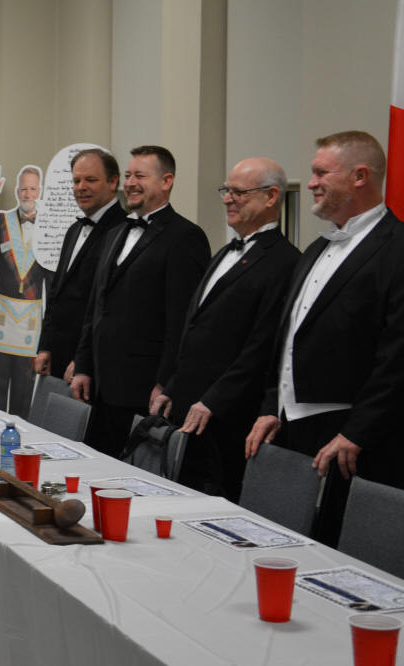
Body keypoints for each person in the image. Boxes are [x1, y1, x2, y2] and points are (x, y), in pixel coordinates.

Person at [245, 131, 404, 545]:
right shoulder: (315, 249)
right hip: (290, 426)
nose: (311, 183)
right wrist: (271, 406)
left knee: (343, 550)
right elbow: (285, 339)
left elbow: (397, 357)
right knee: (283, 542)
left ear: (359, 176)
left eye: (320, 173)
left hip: (353, 437)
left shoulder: (397, 248)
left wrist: (358, 432)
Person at [151, 158, 300, 499]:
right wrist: (172, 386)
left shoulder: (285, 262)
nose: (227, 199)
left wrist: (213, 401)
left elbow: (262, 347)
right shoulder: (223, 252)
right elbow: (196, 329)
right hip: (188, 406)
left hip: (228, 417)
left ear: (271, 196)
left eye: (239, 192)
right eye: (226, 190)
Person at [70, 145, 210, 457]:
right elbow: (96, 307)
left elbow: (182, 322)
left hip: (143, 390)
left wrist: (166, 383)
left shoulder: (185, 237)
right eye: (128, 175)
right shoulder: (115, 232)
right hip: (100, 386)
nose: (131, 183)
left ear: (166, 181)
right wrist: (83, 365)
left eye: (140, 176)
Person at [35, 149, 127, 383]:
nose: (81, 187)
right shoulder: (74, 230)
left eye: (91, 180)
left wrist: (83, 360)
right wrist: (45, 345)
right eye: (76, 181)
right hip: (58, 357)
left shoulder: (124, 231)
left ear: (113, 182)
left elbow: (109, 308)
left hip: (93, 366)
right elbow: (56, 294)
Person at [0, 164, 53, 419]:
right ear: (18, 191)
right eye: (24, 189)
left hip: (31, 319)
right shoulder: (2, 221)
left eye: (33, 189)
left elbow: (53, 285)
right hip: (3, 316)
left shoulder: (50, 230)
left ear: (39, 191)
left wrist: (50, 333)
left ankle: (21, 438)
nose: (28, 194)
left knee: (23, 390)